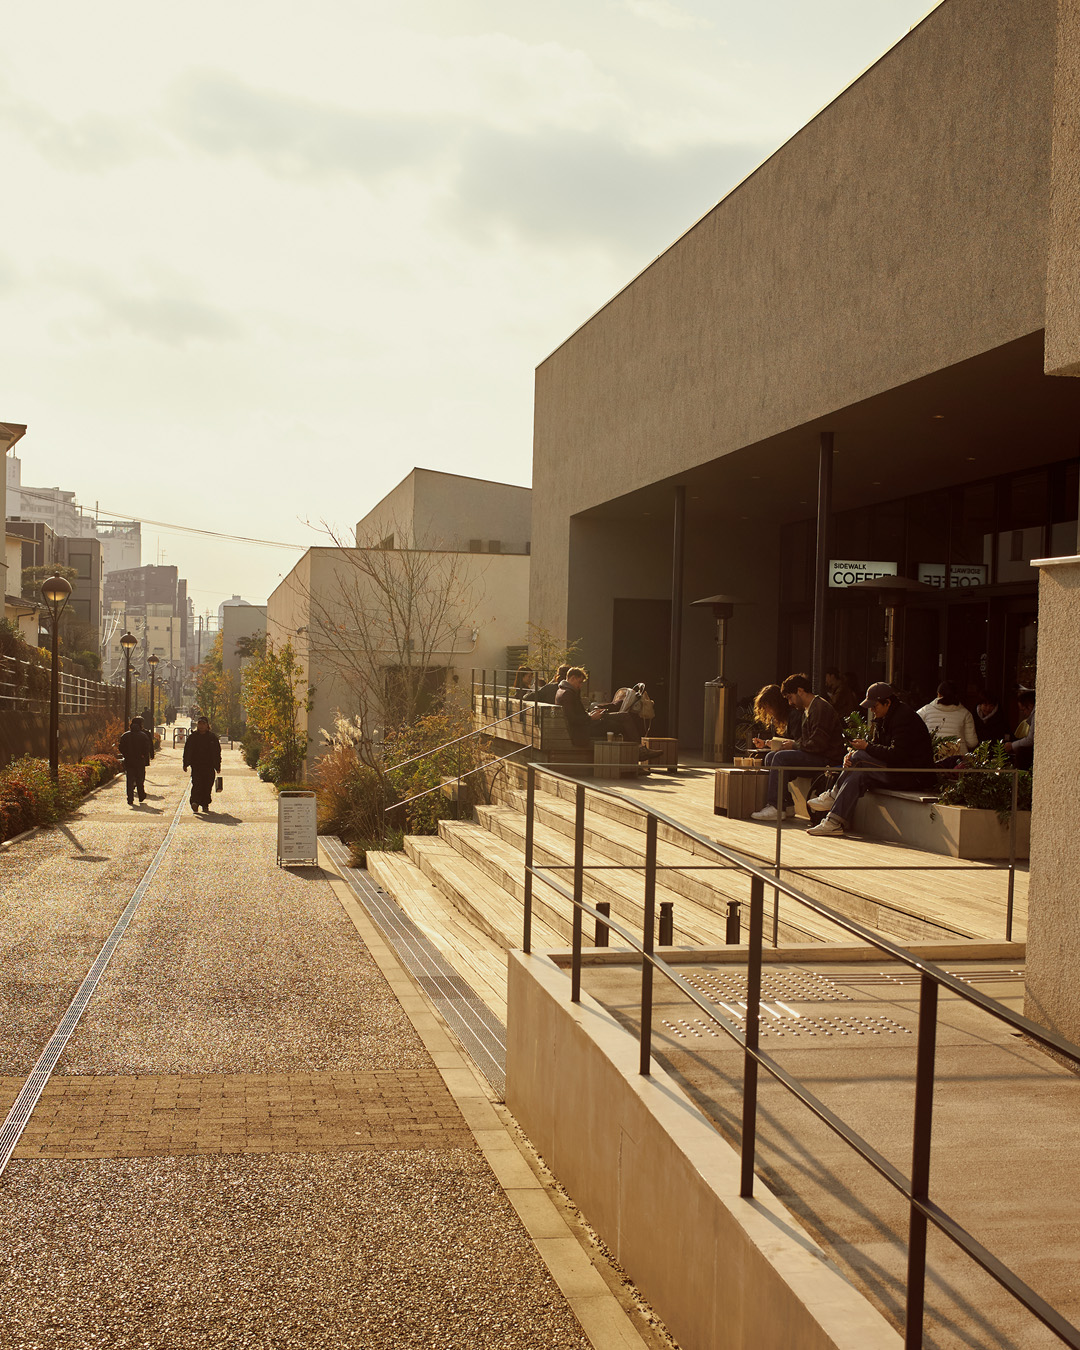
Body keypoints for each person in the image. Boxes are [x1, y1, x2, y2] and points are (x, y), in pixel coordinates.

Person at [806, 682, 934, 837]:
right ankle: (834, 822)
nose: (872, 710)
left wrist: (865, 749)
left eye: (875, 706)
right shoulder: (884, 717)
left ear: (887, 703)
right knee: (858, 773)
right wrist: (852, 755)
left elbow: (897, 754)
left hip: (912, 775)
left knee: (859, 757)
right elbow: (877, 749)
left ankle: (833, 795)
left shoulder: (904, 718)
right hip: (896, 770)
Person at [750, 673, 845, 821]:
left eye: (790, 697)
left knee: (780, 758)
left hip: (826, 760)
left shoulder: (820, 708)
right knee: (771, 756)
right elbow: (810, 742)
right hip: (818, 756)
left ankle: (776, 806)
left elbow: (818, 744)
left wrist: (794, 745)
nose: (789, 703)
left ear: (800, 691)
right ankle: (786, 805)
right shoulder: (809, 709)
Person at [555, 668, 661, 760]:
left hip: (585, 725)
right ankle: (637, 753)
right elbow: (573, 719)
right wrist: (591, 717)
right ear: (572, 678)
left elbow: (575, 715)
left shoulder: (565, 691)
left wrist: (590, 714)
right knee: (623, 720)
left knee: (621, 719)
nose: (580, 685)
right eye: (579, 682)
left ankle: (636, 754)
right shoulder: (567, 694)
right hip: (584, 729)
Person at [916, 680, 978, 752]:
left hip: (933, 756)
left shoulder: (925, 710)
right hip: (957, 759)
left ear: (939, 694)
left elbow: (913, 733)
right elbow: (972, 743)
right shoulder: (966, 714)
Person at [183, 716, 221, 813]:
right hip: (196, 765)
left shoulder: (212, 737)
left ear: (207, 725)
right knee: (197, 784)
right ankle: (194, 802)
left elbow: (217, 752)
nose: (201, 726)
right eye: (199, 724)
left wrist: (217, 766)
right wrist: (185, 763)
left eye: (203, 724)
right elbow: (187, 751)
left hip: (209, 766)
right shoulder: (193, 737)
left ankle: (205, 804)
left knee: (207, 785)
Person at [118, 716, 154, 806]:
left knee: (129, 780)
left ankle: (130, 798)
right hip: (139, 760)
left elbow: (121, 747)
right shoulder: (143, 735)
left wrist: (126, 755)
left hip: (129, 760)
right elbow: (147, 747)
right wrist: (144, 755)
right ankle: (141, 795)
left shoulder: (125, 735)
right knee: (140, 778)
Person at [1004, 689, 1036, 770]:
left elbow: (1030, 740)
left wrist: (1012, 745)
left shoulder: (1036, 715)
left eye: (1023, 710)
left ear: (1030, 706)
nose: (1024, 713)